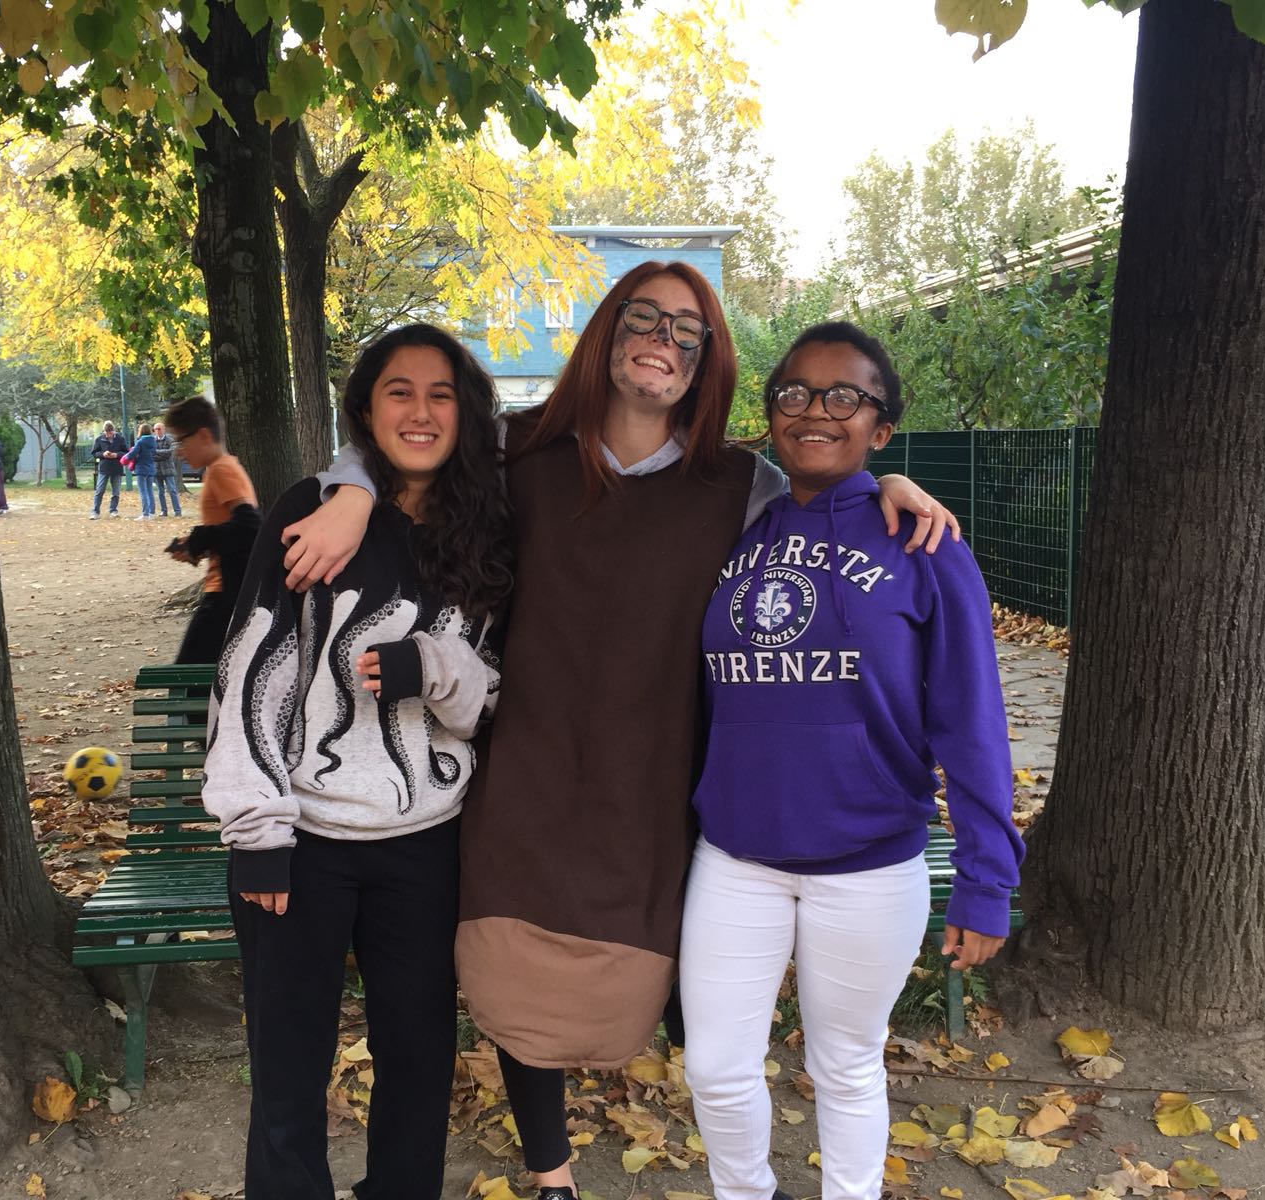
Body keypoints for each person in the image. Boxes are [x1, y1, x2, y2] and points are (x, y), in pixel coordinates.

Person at [282, 263, 960, 1198]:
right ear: (608, 330)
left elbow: (823, 497)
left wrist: (889, 481)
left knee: (643, 975)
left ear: (706, 360)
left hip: (657, 772)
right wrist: (352, 490)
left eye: (687, 330)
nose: (663, 340)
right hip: (522, 759)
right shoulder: (519, 450)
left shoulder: (741, 485)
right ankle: (551, 1171)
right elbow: (409, 447)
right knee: (519, 969)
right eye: (645, 317)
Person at [679, 322, 1024, 1200]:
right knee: (715, 1066)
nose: (815, 411)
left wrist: (987, 879)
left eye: (845, 397)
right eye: (794, 393)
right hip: (737, 858)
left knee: (846, 1064)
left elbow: (972, 719)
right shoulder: (734, 529)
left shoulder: (926, 546)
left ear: (882, 427)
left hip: (869, 863)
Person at [202, 324, 511, 1200]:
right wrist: (257, 831)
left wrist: (436, 668)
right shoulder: (312, 510)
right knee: (286, 1064)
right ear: (366, 410)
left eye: (441, 394)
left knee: (417, 1060)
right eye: (398, 392)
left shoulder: (489, 528)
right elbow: (252, 668)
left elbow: (493, 697)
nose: (421, 411)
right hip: (301, 839)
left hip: (426, 841)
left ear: (466, 412)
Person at [163, 397, 260, 664]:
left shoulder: (221, 470)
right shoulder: (221, 469)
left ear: (204, 436)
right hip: (224, 590)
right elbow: (233, 531)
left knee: (186, 674)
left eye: (181, 441)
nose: (179, 452)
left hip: (225, 594)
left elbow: (250, 527)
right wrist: (194, 545)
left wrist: (200, 539)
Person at [90, 421, 129, 519]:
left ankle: (113, 510)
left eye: (110, 433)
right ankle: (95, 511)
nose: (108, 435)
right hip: (104, 468)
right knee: (99, 490)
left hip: (117, 468)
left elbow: (126, 452)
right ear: (104, 431)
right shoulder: (99, 439)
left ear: (114, 431)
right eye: (106, 433)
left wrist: (117, 455)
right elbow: (94, 453)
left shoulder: (120, 439)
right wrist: (103, 454)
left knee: (116, 491)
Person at [127, 422, 159, 520]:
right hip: (151, 468)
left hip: (141, 468)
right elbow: (154, 453)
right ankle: (151, 513)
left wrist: (126, 457)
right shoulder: (153, 441)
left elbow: (132, 454)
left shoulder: (140, 442)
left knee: (143, 491)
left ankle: (145, 514)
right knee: (150, 491)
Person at [152, 421, 183, 517]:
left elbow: (170, 453)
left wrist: (156, 452)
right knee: (160, 492)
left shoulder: (170, 440)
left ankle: (177, 511)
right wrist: (161, 454)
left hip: (168, 469)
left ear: (164, 429)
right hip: (157, 470)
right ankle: (163, 511)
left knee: (172, 490)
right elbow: (151, 455)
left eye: (159, 429)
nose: (157, 431)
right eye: (155, 429)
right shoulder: (152, 441)